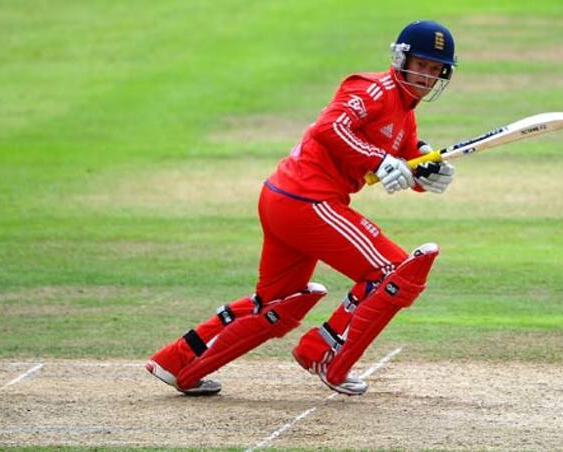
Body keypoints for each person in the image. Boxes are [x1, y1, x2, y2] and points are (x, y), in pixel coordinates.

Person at [146, 20, 457, 396]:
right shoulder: (373, 89)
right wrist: (380, 160)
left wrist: (427, 169)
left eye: (435, 69)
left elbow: (405, 164)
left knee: (278, 304)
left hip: (285, 199)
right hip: (307, 199)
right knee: (394, 272)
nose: (426, 76)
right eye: (420, 64)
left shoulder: (406, 115)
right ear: (401, 59)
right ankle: (325, 354)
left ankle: (178, 361)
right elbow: (330, 128)